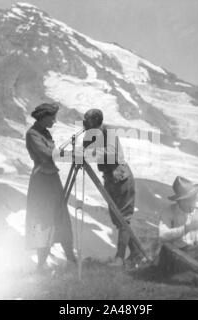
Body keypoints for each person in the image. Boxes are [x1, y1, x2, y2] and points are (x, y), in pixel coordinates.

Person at [81, 108, 142, 267]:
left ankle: (119, 258)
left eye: (87, 122)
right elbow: (86, 149)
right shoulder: (92, 133)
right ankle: (136, 254)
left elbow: (111, 153)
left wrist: (90, 151)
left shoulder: (109, 132)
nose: (85, 125)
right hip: (109, 178)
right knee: (117, 219)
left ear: (96, 122)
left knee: (123, 219)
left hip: (121, 177)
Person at [25, 102, 76, 272]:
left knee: (61, 216)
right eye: (52, 118)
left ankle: (71, 259)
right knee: (43, 220)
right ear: (43, 117)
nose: (54, 121)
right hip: (41, 183)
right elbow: (47, 154)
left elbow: (53, 154)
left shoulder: (45, 133)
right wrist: (69, 155)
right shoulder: (32, 134)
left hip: (52, 179)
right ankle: (41, 264)